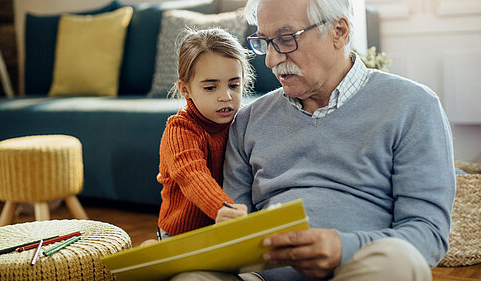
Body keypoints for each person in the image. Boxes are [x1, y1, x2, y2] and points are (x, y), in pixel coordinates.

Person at [169, 0, 456, 280]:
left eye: (284, 38)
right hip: (259, 275)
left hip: (358, 268)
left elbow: (427, 231)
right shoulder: (247, 121)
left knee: (399, 263)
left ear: (339, 32)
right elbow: (233, 227)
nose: (270, 59)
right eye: (265, 41)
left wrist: (343, 248)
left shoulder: (413, 105)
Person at [155, 28, 252, 239]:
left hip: (225, 230)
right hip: (180, 234)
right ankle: (153, 251)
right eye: (210, 88)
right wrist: (223, 208)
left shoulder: (245, 119)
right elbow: (193, 176)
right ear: (185, 89)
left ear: (243, 82)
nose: (225, 97)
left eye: (234, 85)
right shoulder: (180, 130)